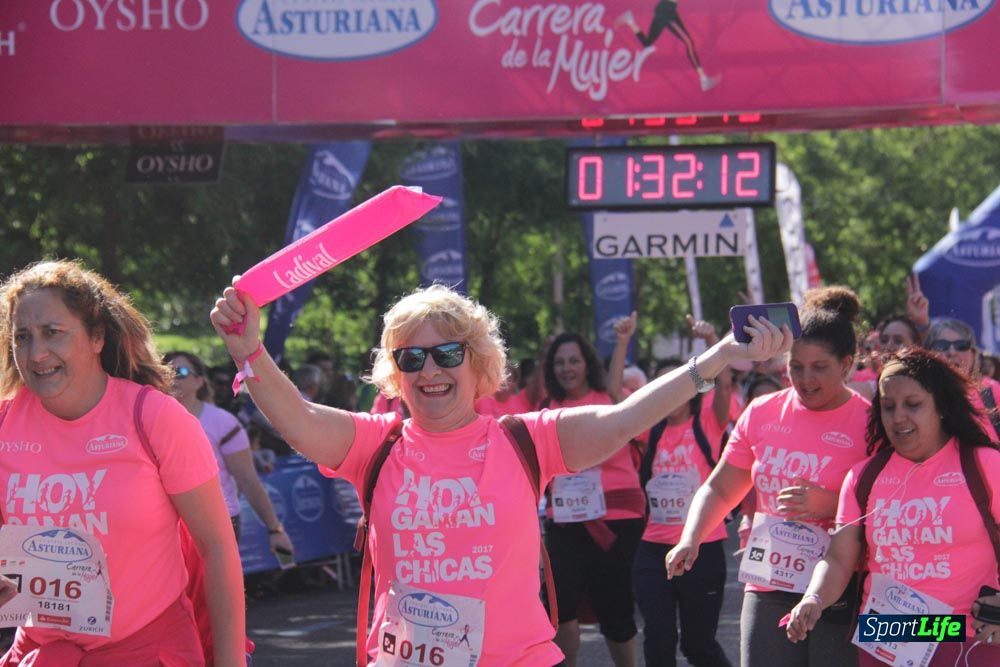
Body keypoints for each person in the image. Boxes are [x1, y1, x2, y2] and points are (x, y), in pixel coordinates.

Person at [209, 282, 791, 666]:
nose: (430, 370)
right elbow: (300, 419)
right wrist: (248, 353)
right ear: (395, 372)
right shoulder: (375, 444)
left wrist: (714, 360)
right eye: (411, 357)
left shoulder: (524, 439)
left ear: (480, 362)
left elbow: (624, 418)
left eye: (448, 354)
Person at [0, 260, 244, 665]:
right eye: (22, 337)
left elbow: (217, 549)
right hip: (41, 655)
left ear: (97, 337)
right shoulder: (5, 423)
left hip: (148, 650)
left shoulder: (154, 418)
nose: (36, 353)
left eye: (52, 333)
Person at [667, 286, 872, 667]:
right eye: (796, 366)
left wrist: (828, 504)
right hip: (770, 579)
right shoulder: (761, 411)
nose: (805, 379)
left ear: (847, 364)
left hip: (842, 586)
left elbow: (889, 509)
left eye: (819, 368)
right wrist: (690, 538)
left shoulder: (869, 422)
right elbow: (720, 487)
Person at [785, 347, 1000, 666]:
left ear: (940, 406)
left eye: (913, 405)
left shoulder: (985, 464)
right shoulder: (864, 477)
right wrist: (814, 597)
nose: (898, 416)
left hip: (965, 634)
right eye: (888, 407)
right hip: (884, 635)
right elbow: (839, 558)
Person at [540, 321, 645, 667]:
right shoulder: (546, 407)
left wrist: (622, 340)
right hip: (565, 521)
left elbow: (614, 384)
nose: (567, 368)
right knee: (560, 604)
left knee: (614, 606)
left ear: (587, 363)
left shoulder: (611, 399)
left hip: (615, 521)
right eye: (559, 362)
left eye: (573, 360)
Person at [632, 318, 735, 667]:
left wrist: (711, 339)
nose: (669, 394)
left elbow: (723, 388)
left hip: (702, 549)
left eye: (677, 385)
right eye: (662, 386)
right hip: (653, 549)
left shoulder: (708, 421)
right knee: (659, 639)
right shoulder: (649, 430)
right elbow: (617, 397)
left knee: (697, 645)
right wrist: (623, 343)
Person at [164, 350, 294, 555]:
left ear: (199, 381)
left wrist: (274, 529)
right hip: (167, 529)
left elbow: (247, 480)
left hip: (218, 525)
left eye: (180, 371)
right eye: (164, 370)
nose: (172, 377)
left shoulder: (222, 422)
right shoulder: (148, 421)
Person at [615, 1, 721, 91]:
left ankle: (630, 21)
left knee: (647, 42)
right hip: (667, 11)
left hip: (665, 10)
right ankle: (703, 79)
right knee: (689, 42)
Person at [924, 318, 1000, 440]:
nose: (952, 352)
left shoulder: (991, 391)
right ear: (927, 353)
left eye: (961, 346)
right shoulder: (919, 394)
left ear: (974, 353)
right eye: (941, 346)